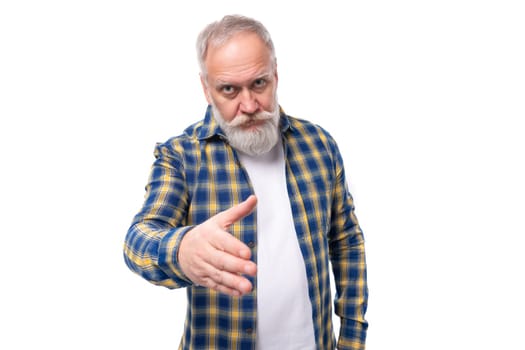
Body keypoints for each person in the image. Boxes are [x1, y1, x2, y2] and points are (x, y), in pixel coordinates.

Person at [123, 14, 368, 350]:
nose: (250, 105)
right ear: (206, 90)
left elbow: (346, 242)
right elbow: (138, 240)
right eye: (229, 90)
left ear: (275, 75)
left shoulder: (318, 144)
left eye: (259, 84)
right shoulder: (181, 155)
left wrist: (353, 339)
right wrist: (181, 250)